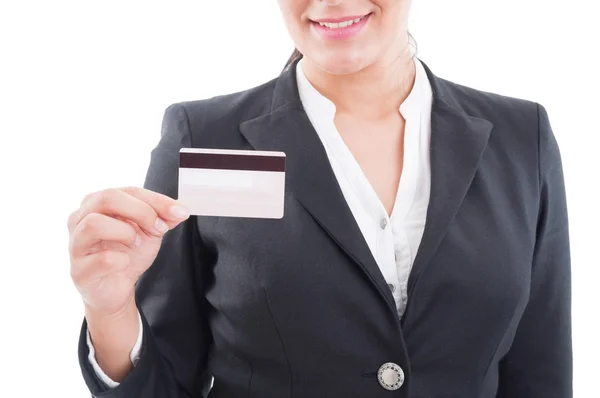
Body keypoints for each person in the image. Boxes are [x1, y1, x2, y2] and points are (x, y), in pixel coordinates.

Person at [68, 0, 572, 397]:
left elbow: (541, 373)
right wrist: (109, 311)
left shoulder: (520, 137)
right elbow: (170, 385)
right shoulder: (204, 137)